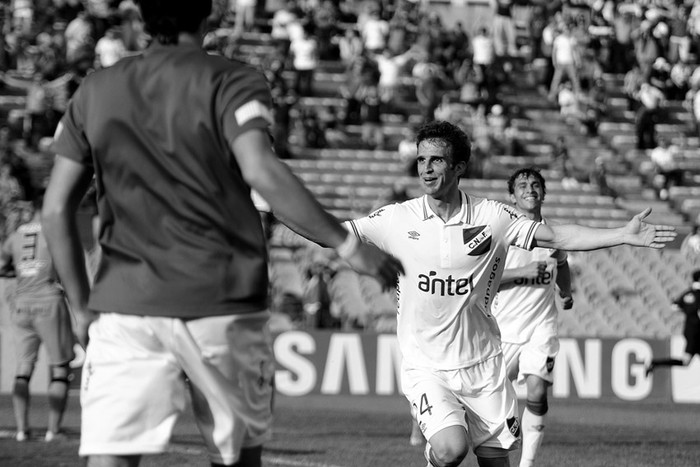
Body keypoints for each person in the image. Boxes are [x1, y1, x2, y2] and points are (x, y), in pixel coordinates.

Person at [41, 1, 404, 466]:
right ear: (207, 16)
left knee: (111, 460)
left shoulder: (96, 89)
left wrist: (79, 307)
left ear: (141, 22)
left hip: (126, 307)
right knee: (234, 458)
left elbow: (55, 210)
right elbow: (263, 174)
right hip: (220, 302)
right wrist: (350, 245)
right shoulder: (232, 80)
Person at [344, 120, 675, 467]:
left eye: (437, 160)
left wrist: (621, 233)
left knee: (497, 461)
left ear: (459, 167)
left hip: (485, 365)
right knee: (451, 449)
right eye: (421, 159)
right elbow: (336, 232)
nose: (426, 168)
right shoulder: (398, 217)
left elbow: (560, 239)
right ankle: (434, 455)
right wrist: (282, 207)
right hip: (427, 365)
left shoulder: (493, 216)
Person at [491, 167, 573, 467]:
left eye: (536, 184)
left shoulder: (553, 235)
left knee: (537, 391)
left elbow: (562, 264)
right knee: (490, 403)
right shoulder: (502, 234)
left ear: (543, 193)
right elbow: (480, 278)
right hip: (501, 328)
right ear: (511, 196)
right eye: (522, 185)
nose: (530, 189)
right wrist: (520, 272)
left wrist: (565, 292)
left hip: (541, 326)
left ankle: (526, 464)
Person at [0, 189, 75, 443]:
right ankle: (53, 431)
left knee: (23, 369)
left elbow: (3, 265)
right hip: (48, 302)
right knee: (59, 368)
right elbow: (70, 267)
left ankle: (22, 429)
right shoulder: (55, 230)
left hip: (21, 305)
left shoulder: (14, 237)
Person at [645, 269, 700, 376]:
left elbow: (674, 306)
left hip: (689, 330)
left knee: (685, 362)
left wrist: (688, 311)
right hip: (697, 332)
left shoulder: (687, 293)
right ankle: (654, 363)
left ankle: (654, 363)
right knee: (685, 362)